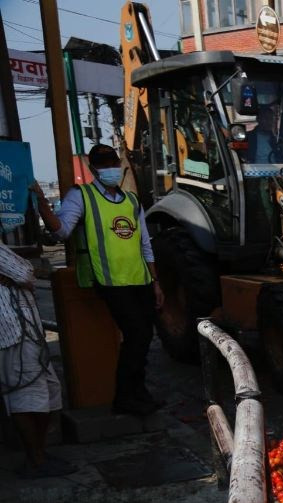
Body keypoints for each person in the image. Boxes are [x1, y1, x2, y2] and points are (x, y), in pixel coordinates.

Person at [32, 144, 164, 416]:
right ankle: (127, 397)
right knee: (137, 335)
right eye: (103, 165)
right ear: (93, 169)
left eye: (113, 163)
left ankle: (137, 393)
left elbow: (145, 244)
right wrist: (42, 203)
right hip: (110, 281)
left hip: (139, 279)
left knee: (143, 337)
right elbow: (62, 232)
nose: (110, 169)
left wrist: (155, 281)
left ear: (120, 165)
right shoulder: (81, 196)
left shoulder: (131, 200)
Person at [0, 242, 74, 478]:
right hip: (13, 331)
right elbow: (24, 272)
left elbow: (23, 273)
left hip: (25, 328)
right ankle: (36, 459)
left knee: (49, 392)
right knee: (27, 396)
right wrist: (20, 275)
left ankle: (39, 453)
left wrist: (19, 275)